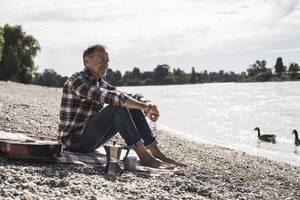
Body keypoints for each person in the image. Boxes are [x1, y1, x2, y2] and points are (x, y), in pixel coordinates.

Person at [57, 44, 185, 168]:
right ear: (87, 62)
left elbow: (124, 95)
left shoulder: (99, 82)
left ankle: (155, 153)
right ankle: (144, 157)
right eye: (101, 60)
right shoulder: (78, 80)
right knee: (117, 106)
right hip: (73, 143)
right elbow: (113, 98)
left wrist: (147, 103)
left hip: (89, 140)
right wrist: (144, 107)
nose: (106, 65)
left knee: (129, 104)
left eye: (107, 61)